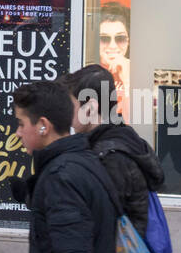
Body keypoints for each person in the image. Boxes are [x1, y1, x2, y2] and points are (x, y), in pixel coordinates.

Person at [13, 80, 118, 253]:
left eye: (21, 124)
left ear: (43, 125)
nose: (17, 132)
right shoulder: (82, 159)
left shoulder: (61, 176)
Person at [61, 64, 164, 237]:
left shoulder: (111, 155)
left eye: (72, 105)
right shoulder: (119, 139)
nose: (67, 113)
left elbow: (103, 220)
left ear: (91, 107)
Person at [97, 3, 131, 124]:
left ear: (128, 41)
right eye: (104, 39)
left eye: (120, 39)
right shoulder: (88, 73)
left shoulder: (139, 70)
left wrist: (127, 81)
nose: (112, 46)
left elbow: (139, 122)